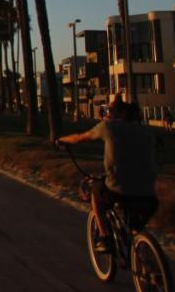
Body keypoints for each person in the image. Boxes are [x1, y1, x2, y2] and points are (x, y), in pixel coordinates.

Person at [59, 100, 158, 253]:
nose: (105, 114)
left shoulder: (108, 127)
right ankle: (143, 253)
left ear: (114, 114)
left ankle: (105, 237)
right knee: (135, 227)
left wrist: (61, 140)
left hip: (120, 189)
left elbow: (80, 137)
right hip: (150, 195)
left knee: (96, 193)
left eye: (108, 111)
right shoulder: (145, 131)